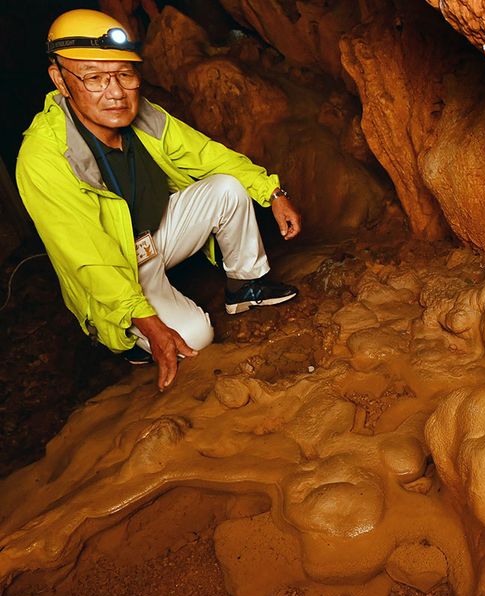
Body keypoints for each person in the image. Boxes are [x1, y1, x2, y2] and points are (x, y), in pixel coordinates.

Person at [16, 9, 302, 391]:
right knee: (196, 338)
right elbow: (89, 258)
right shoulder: (45, 156)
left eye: (124, 75)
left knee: (227, 186)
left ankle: (246, 286)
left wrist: (272, 192)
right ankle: (124, 339)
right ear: (60, 80)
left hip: (157, 236)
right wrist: (143, 319)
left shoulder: (144, 117)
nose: (115, 92)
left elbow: (206, 153)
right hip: (115, 264)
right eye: (95, 78)